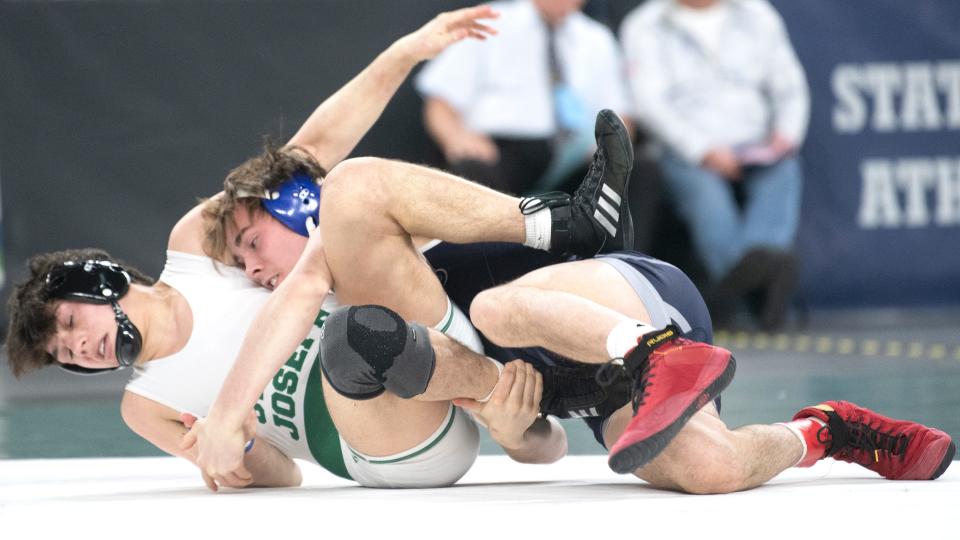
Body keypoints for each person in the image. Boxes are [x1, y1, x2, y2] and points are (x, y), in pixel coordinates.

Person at [6, 6, 640, 490]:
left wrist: (404, 52)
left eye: (67, 324)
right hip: (378, 436)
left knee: (353, 208)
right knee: (351, 328)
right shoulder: (144, 407)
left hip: (428, 345)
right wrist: (237, 451)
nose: (77, 347)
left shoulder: (196, 246)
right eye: (64, 354)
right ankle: (527, 386)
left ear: (101, 282)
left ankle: (558, 294)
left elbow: (303, 159)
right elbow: (285, 475)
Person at [620, 0, 809, 329]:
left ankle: (746, 273)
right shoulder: (644, 25)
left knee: (784, 172)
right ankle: (761, 277)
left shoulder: (758, 14)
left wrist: (785, 135)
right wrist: (703, 150)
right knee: (705, 195)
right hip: (687, 152)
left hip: (759, 145)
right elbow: (649, 105)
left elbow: (791, 87)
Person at [415, 0, 635, 197]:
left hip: (572, 160)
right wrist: (457, 138)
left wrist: (609, 149)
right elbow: (440, 103)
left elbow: (620, 116)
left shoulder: (598, 39)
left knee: (636, 169)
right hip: (501, 156)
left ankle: (621, 245)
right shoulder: (489, 23)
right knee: (471, 170)